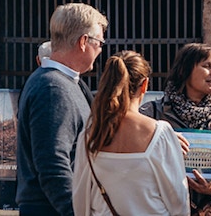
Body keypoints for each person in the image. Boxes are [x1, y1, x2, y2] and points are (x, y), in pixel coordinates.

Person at [16, 3, 107, 216]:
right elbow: (53, 165)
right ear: (83, 42)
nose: (101, 49)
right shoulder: (53, 88)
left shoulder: (63, 82)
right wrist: (76, 212)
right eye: (99, 42)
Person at [73, 50, 189, 215]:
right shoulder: (159, 134)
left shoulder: (90, 135)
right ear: (145, 85)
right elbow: (178, 202)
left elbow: (80, 201)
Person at [140, 43, 211, 216]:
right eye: (207, 66)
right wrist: (162, 141)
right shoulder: (152, 113)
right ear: (185, 70)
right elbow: (134, 164)